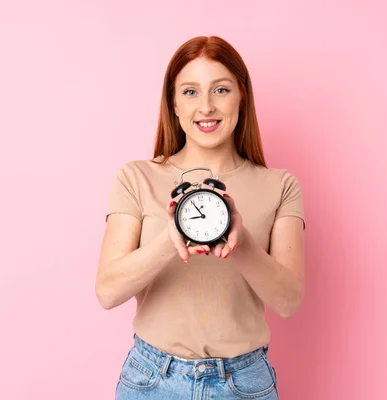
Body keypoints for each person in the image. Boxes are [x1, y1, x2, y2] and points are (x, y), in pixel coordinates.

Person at [95, 35, 306, 399]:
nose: (206, 106)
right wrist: (168, 240)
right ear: (173, 104)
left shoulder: (281, 186)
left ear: (242, 97)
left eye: (220, 90)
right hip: (152, 379)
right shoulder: (136, 177)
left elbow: (288, 302)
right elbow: (108, 292)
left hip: (243, 383)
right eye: (190, 92)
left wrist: (241, 245)